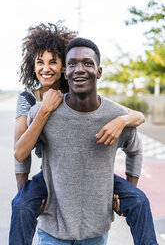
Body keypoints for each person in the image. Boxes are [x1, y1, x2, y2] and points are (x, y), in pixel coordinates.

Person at [9, 23, 145, 245]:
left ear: (63, 66)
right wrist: (23, 192)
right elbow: (20, 152)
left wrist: (122, 120)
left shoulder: (74, 91)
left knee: (139, 200)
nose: (46, 68)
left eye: (53, 61)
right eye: (40, 62)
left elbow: (136, 116)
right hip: (52, 173)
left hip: (93, 173)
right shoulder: (28, 99)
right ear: (31, 66)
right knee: (21, 205)